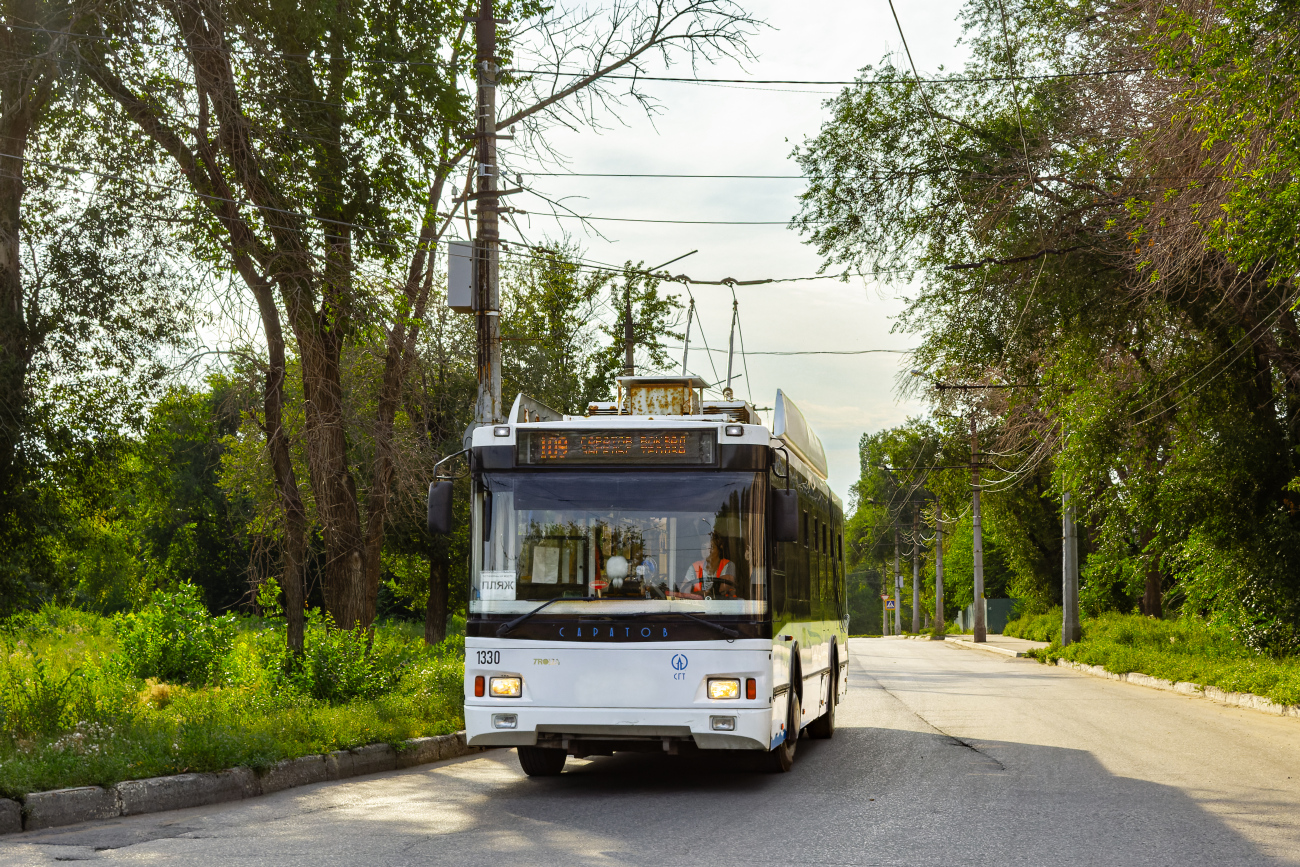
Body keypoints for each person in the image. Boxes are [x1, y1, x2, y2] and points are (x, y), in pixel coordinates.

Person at [678, 532, 738, 599]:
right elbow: (684, 590)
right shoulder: (694, 567)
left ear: (719, 548)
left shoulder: (728, 565)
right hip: (697, 607)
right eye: (703, 547)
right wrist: (703, 594)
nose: (706, 550)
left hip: (722, 606)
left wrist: (698, 594)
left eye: (711, 547)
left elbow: (721, 590)